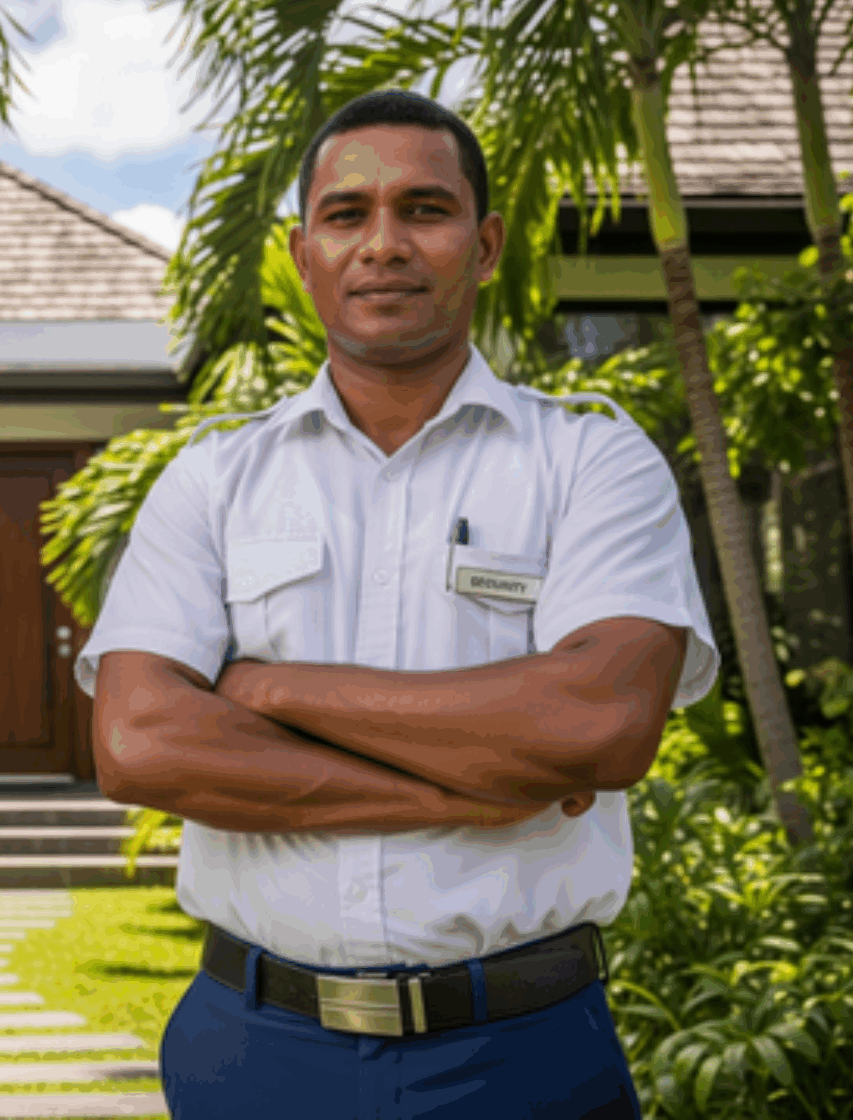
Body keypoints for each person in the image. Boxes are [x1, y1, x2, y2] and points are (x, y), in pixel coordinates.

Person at [76, 90, 719, 1118]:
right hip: (254, 1053)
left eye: (423, 209)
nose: (383, 244)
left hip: (523, 1058)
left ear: (485, 243)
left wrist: (265, 688)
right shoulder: (211, 483)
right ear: (301, 253)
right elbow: (143, 743)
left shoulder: (589, 459)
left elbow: (596, 722)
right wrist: (467, 791)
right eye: (346, 215)